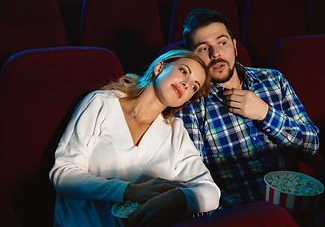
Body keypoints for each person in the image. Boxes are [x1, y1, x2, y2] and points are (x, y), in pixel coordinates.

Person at [49, 49, 220, 227]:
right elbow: (63, 173)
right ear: (159, 68)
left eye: (194, 86)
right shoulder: (101, 103)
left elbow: (211, 192)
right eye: (184, 71)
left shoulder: (176, 132)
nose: (186, 84)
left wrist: (176, 198)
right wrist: (129, 191)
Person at [174, 8, 320, 210]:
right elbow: (196, 181)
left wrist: (266, 114)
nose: (215, 54)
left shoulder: (274, 80)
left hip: (294, 207)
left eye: (222, 43)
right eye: (203, 48)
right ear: (193, 58)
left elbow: (311, 145)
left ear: (235, 47)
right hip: (241, 213)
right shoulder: (190, 105)